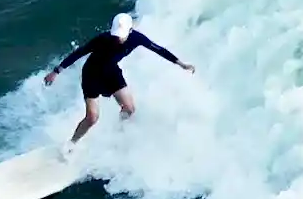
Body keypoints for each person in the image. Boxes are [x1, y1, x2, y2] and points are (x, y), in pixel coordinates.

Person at [43, 13, 194, 146]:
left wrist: (181, 64)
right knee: (92, 118)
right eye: (116, 34)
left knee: (129, 109)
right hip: (92, 74)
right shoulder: (102, 39)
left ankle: (116, 133)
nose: (118, 38)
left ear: (130, 31)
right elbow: (79, 53)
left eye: (121, 35)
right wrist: (56, 72)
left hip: (111, 72)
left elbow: (159, 50)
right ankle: (72, 144)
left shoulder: (136, 38)